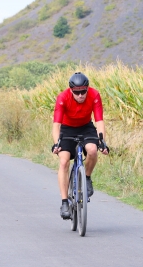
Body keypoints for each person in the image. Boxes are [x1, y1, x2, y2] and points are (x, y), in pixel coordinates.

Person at [51, 72, 109, 219]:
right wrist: (56, 143)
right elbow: (56, 125)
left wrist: (102, 140)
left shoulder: (94, 96)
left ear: (87, 89)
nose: (81, 95)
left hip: (86, 127)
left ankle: (87, 178)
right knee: (64, 161)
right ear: (71, 90)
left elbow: (99, 121)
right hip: (67, 128)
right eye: (77, 93)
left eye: (84, 91)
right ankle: (65, 202)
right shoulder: (62, 98)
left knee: (92, 150)